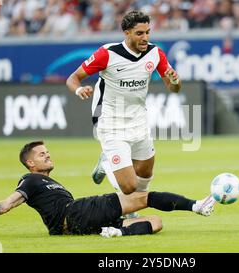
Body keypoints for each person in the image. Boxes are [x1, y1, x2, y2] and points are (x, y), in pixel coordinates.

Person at [0, 141, 217, 237]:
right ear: (30, 163)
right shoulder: (30, 180)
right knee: (142, 197)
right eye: (42, 154)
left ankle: (116, 233)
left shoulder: (54, 185)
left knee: (156, 222)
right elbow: (6, 205)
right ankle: (197, 206)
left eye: (48, 152)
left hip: (76, 224)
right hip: (75, 214)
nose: (48, 156)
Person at [66, 10, 181, 198]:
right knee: (129, 186)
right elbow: (73, 78)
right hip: (110, 120)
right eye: (139, 33)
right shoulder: (107, 54)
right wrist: (79, 89)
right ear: (127, 33)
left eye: (148, 32)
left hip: (139, 120)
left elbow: (173, 88)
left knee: (145, 175)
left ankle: (131, 211)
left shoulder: (155, 53)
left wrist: (175, 80)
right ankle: (106, 162)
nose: (145, 38)